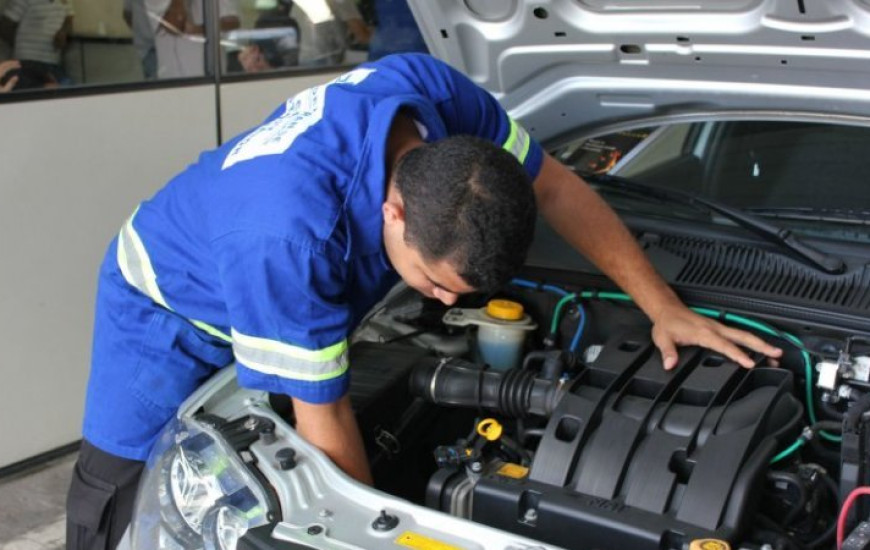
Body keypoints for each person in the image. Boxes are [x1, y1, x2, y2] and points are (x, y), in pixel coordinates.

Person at [65, 53, 781, 549]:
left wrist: (661, 304)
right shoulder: (288, 237)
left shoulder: (433, 95)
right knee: (128, 492)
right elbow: (327, 415)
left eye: (457, 293)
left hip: (284, 268)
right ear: (396, 211)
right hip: (167, 316)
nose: (440, 300)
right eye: (436, 282)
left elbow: (556, 185)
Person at [0, 0, 73, 83]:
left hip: (53, 63)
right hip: (27, 63)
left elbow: (69, 18)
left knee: (69, 90)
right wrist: (25, 45)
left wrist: (64, 32)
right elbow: (5, 27)